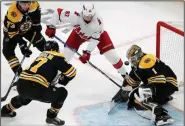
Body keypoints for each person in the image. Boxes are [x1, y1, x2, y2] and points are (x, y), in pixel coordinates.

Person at [1, 40, 77, 125]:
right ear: (56, 50)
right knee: (62, 92)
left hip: (21, 85)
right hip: (37, 88)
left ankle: (5, 110)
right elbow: (72, 72)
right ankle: (51, 117)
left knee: (26, 95)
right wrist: (64, 80)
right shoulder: (56, 57)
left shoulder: (40, 57)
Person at [45, 3, 127, 79]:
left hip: (99, 36)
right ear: (82, 13)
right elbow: (58, 12)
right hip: (78, 35)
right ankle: (53, 76)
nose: (88, 18)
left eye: (90, 16)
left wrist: (87, 52)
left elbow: (95, 39)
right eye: (86, 16)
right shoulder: (74, 15)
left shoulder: (98, 22)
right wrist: (51, 26)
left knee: (112, 56)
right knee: (65, 57)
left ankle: (125, 76)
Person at [112, 45, 178, 125]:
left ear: (138, 55)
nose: (132, 61)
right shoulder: (137, 66)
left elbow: (159, 80)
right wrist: (123, 91)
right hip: (163, 86)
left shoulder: (147, 59)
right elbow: (132, 82)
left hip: (167, 84)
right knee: (136, 97)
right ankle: (162, 99)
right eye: (130, 60)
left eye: (133, 59)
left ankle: (160, 115)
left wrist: (144, 92)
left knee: (141, 94)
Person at [2, 1, 46, 75]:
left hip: (27, 27)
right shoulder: (13, 12)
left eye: (28, 3)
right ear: (18, 2)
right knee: (7, 52)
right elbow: (12, 32)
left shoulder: (34, 3)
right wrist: (22, 43)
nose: (26, 6)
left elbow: (37, 10)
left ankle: (55, 63)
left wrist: (37, 24)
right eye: (23, 4)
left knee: (42, 44)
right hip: (12, 31)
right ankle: (20, 75)